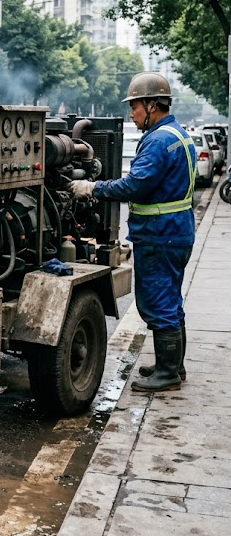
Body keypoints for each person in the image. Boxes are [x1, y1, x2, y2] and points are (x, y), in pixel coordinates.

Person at [67, 72, 194, 393]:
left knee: (157, 302)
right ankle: (173, 366)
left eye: (135, 106)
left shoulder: (158, 141)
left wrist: (91, 187)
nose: (131, 113)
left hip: (159, 234)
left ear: (152, 105)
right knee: (171, 300)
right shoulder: (177, 135)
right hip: (175, 232)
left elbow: (135, 186)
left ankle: (166, 373)